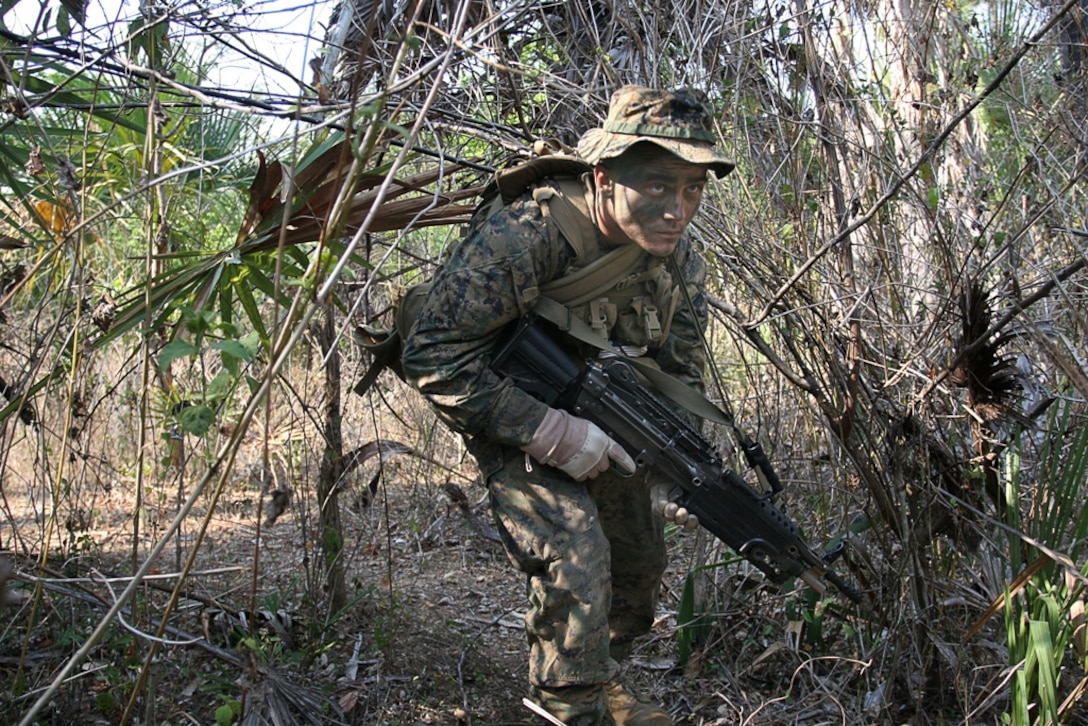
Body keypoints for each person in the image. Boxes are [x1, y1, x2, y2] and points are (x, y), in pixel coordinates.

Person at [401, 86, 734, 726]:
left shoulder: (678, 256)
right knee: (575, 549)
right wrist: (551, 434)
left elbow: (679, 367)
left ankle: (599, 673)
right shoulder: (526, 234)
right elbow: (433, 355)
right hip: (506, 404)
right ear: (604, 178)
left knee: (638, 562)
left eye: (693, 189)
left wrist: (673, 466)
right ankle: (568, 708)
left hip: (607, 412)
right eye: (659, 186)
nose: (678, 209)